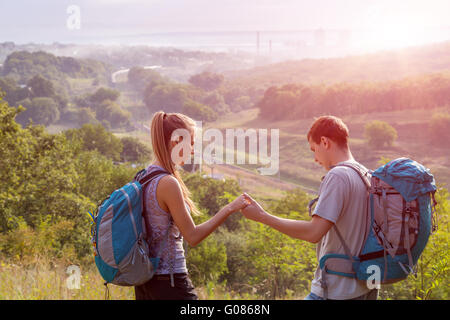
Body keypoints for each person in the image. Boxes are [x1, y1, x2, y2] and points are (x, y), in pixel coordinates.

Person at [241, 115, 378, 300]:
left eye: (314, 150)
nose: (315, 158)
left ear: (324, 142)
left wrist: (263, 216)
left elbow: (313, 233)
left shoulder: (338, 176)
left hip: (336, 291)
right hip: (366, 287)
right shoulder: (367, 175)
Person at [135, 111, 249, 300]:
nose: (193, 150)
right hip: (170, 282)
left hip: (145, 282)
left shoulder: (143, 176)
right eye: (192, 143)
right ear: (176, 141)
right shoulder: (167, 183)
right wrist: (229, 208)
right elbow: (193, 236)